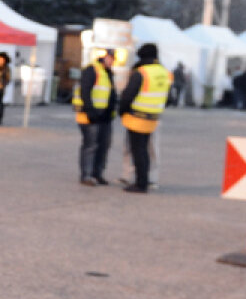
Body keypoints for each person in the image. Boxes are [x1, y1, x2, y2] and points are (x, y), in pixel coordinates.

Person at [118, 43, 172, 193]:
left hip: (136, 117)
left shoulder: (141, 72)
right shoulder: (164, 72)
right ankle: (146, 180)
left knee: (138, 151)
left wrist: (122, 111)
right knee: (146, 151)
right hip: (153, 118)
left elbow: (127, 95)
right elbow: (168, 98)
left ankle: (140, 183)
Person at [73, 49, 117, 185]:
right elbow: (85, 91)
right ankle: (86, 175)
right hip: (90, 114)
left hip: (104, 116)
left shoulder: (107, 73)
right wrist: (90, 111)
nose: (111, 61)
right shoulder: (92, 70)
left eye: (113, 59)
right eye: (109, 58)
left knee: (104, 145)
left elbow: (109, 94)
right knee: (90, 145)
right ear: (103, 57)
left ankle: (97, 173)